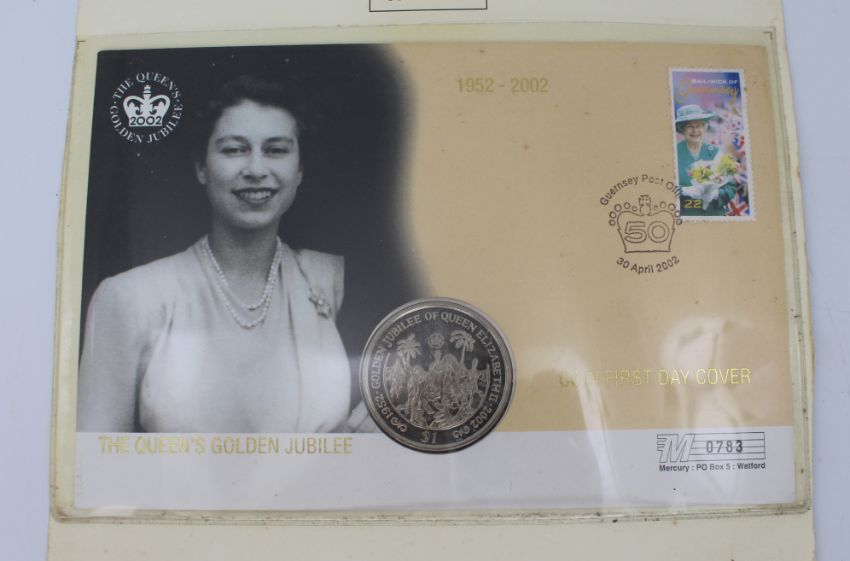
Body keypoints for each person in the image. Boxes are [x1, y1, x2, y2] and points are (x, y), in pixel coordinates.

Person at [77, 75, 371, 433]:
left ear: (299, 171)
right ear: (201, 167)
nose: (257, 170)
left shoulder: (329, 282)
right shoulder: (131, 298)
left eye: (276, 150)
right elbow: (95, 460)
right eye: (234, 150)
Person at [675, 104, 737, 216]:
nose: (695, 130)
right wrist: (683, 191)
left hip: (714, 216)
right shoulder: (673, 153)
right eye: (689, 126)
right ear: (681, 128)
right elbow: (663, 188)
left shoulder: (716, 152)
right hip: (686, 217)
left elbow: (730, 187)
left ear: (704, 127)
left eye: (699, 126)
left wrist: (715, 194)